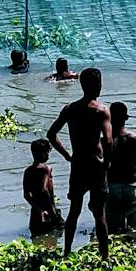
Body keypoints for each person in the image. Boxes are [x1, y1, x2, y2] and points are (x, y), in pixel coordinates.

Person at [46, 66, 112, 258]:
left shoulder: (70, 109)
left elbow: (51, 135)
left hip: (78, 165)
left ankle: (66, 253)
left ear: (82, 85)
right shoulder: (101, 111)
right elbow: (107, 140)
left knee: (74, 212)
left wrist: (68, 156)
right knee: (99, 214)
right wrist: (106, 163)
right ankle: (105, 257)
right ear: (99, 86)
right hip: (96, 166)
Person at [105, 102, 136, 236]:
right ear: (126, 118)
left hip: (111, 187)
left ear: (109, 117)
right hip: (130, 186)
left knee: (111, 229)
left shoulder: (104, 140)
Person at [22, 138, 61, 236]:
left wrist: (39, 210)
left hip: (35, 213)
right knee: (55, 238)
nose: (48, 155)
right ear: (43, 153)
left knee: (37, 239)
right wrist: (52, 210)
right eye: (47, 152)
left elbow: (26, 195)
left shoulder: (27, 171)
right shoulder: (46, 169)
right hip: (48, 212)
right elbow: (44, 190)